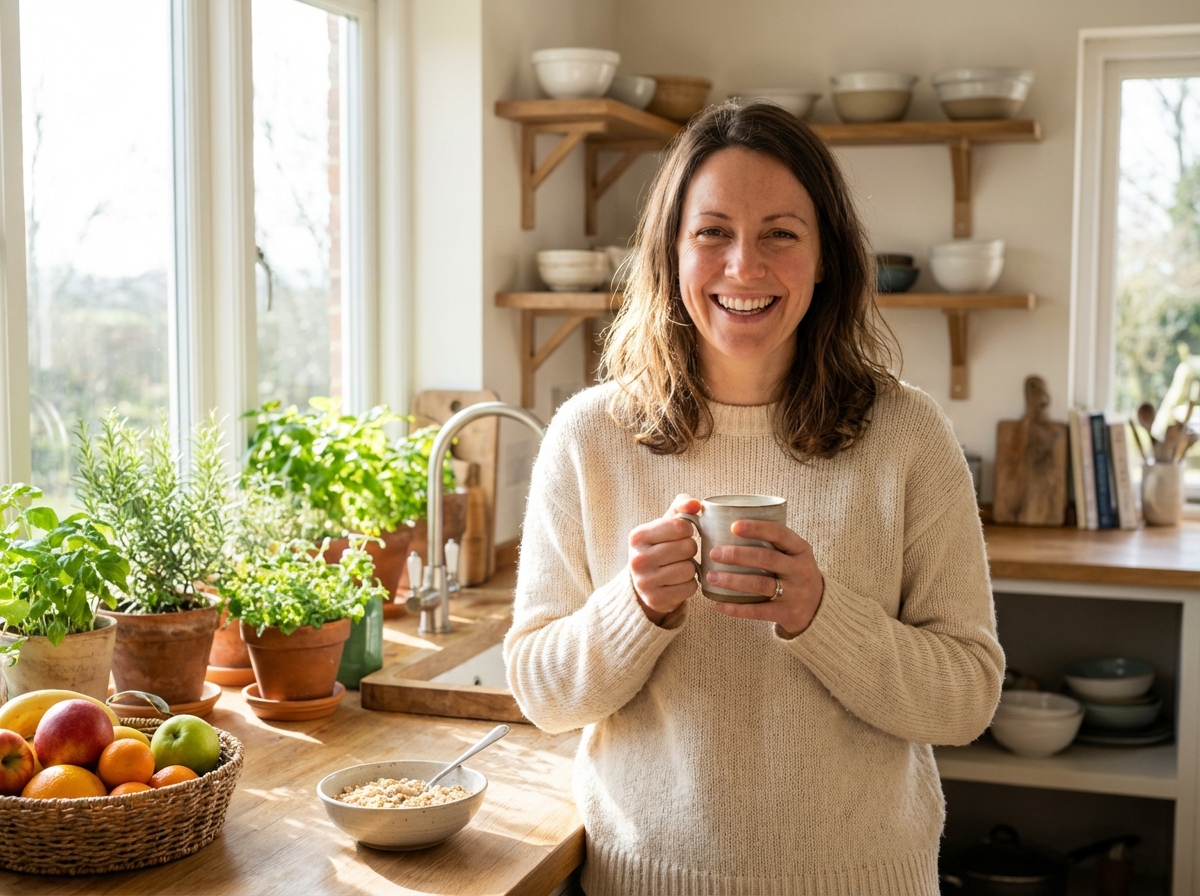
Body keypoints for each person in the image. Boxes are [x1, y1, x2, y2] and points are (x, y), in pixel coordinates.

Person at [504, 101, 1004, 896]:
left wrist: (821, 616)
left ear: (825, 258)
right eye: (712, 233)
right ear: (670, 253)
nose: (744, 267)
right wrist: (635, 610)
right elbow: (539, 690)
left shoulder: (909, 435)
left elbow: (968, 697)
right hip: (643, 882)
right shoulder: (588, 437)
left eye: (780, 232)